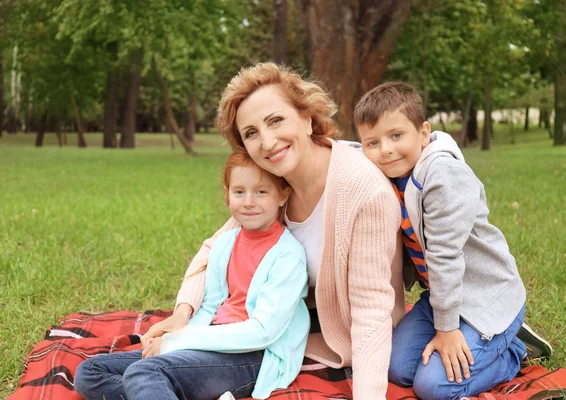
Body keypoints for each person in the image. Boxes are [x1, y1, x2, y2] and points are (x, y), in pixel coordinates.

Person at [141, 63, 405, 399]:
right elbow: (215, 248)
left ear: (307, 118)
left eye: (275, 120)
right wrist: (182, 315)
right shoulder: (276, 184)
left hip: (341, 325)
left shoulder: (363, 191)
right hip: (280, 320)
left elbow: (371, 310)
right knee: (118, 373)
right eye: (251, 133)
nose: (267, 141)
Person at [354, 81, 552, 400]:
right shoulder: (387, 176)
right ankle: (487, 342)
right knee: (395, 368)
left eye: (396, 136)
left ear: (423, 132)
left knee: (434, 387)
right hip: (442, 297)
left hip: (485, 297)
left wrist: (447, 331)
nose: (385, 149)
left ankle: (513, 350)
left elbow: (445, 258)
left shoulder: (444, 175)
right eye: (372, 142)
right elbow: (344, 153)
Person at [74, 150, 310, 400]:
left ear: (283, 195)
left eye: (261, 192)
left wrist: (178, 342)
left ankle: (159, 388)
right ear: (227, 196)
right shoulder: (225, 243)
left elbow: (263, 332)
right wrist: (175, 339)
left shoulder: (288, 256)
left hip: (250, 357)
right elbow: (210, 307)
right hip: (207, 341)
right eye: (239, 192)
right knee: (91, 371)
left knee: (144, 372)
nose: (248, 201)